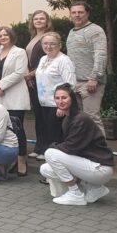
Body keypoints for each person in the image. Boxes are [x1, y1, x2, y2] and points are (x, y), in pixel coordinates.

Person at [40, 83, 114, 206]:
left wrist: (52, 146)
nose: (60, 101)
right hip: (90, 165)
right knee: (46, 169)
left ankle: (75, 193)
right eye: (57, 98)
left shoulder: (80, 119)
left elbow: (70, 147)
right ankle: (95, 188)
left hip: (100, 167)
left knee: (50, 154)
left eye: (64, 98)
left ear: (72, 99)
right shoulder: (68, 118)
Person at [0, 26, 31, 175]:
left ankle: (21, 161)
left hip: (15, 95)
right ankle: (8, 160)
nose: (3, 37)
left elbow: (19, 73)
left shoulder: (19, 52)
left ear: (11, 36)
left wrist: (1, 85)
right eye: (0, 36)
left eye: (6, 35)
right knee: (3, 129)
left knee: (17, 129)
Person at [66, 0, 108, 134]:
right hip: (75, 82)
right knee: (79, 120)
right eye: (74, 12)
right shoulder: (72, 31)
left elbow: (101, 55)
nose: (77, 15)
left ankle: (100, 147)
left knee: (92, 118)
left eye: (80, 12)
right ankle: (85, 146)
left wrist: (94, 78)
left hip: (90, 83)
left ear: (87, 13)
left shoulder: (95, 30)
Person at [34, 32, 76, 161]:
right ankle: (46, 155)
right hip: (43, 102)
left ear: (60, 45)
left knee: (55, 135)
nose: (48, 46)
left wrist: (62, 106)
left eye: (52, 44)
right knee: (46, 132)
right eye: (45, 43)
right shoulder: (43, 59)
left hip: (56, 104)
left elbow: (70, 84)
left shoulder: (64, 61)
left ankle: (56, 161)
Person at [25, 10, 53, 158]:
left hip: (43, 81)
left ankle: (47, 148)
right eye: (36, 18)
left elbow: (49, 60)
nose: (38, 21)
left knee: (46, 115)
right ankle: (39, 146)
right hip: (33, 81)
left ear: (47, 21)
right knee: (38, 115)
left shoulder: (49, 37)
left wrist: (31, 75)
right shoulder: (34, 37)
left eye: (42, 18)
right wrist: (29, 77)